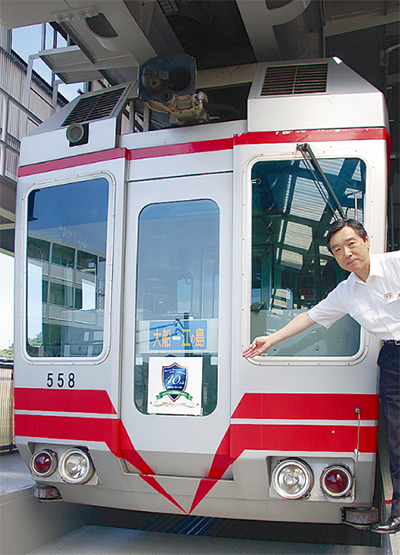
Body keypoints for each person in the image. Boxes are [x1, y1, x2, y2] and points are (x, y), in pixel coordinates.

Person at [243, 219, 400, 534]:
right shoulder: (347, 292)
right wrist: (270, 339)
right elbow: (309, 317)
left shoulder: (396, 264)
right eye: (337, 250)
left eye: (351, 243)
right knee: (397, 439)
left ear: (367, 241)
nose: (346, 253)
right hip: (392, 361)